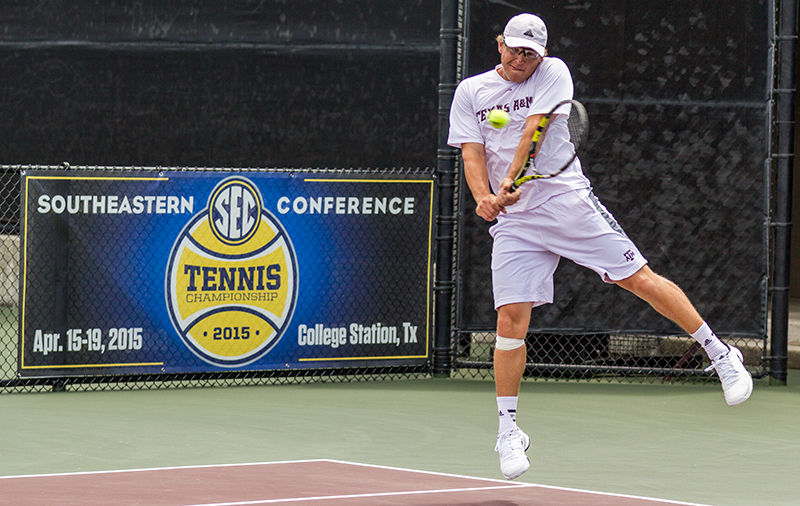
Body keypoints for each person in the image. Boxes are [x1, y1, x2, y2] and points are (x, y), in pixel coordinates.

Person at [447, 13, 754, 480]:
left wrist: (507, 180)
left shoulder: (554, 73)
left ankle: (719, 353)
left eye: (529, 52)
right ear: (498, 45)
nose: (519, 59)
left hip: (567, 201)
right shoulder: (471, 92)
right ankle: (508, 429)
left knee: (639, 280)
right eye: (513, 49)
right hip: (517, 223)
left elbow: (533, 129)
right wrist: (484, 199)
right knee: (510, 320)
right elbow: (471, 152)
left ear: (542, 55)